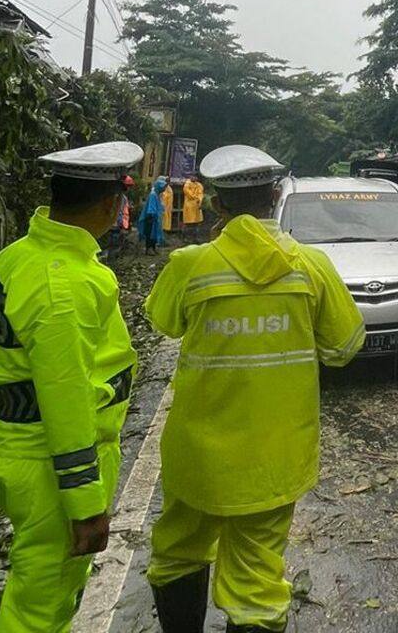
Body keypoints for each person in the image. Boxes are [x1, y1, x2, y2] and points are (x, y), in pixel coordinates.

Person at [144, 145, 365, 632]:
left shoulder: (189, 265)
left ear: (217, 204)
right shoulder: (311, 266)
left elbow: (163, 322)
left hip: (196, 456)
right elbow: (346, 346)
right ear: (275, 196)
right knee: (258, 582)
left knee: (178, 552)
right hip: (275, 455)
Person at [0, 141, 142, 632]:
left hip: (22, 448)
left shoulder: (21, 256)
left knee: (42, 594)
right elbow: (64, 398)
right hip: (51, 465)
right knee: (40, 610)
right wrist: (86, 505)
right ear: (113, 203)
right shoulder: (62, 285)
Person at [138, 177, 168, 255]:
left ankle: (153, 248)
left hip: (155, 218)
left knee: (154, 233)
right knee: (149, 233)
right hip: (150, 218)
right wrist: (152, 215)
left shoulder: (157, 195)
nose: (164, 189)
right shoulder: (153, 195)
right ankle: (149, 249)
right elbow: (151, 207)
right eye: (163, 187)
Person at [182, 175, 205, 242]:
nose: (195, 178)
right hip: (189, 206)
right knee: (188, 223)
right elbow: (189, 194)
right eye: (193, 176)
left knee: (196, 223)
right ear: (190, 177)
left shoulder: (199, 185)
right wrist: (196, 197)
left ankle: (195, 238)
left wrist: (200, 200)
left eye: (196, 177)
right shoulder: (187, 184)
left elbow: (201, 193)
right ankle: (186, 238)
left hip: (197, 206)